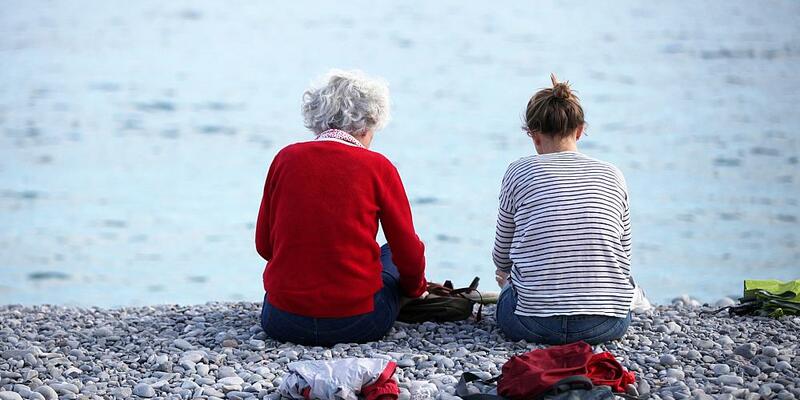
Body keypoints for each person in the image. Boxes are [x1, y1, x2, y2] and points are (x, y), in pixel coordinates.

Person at [255, 70, 427, 346]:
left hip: (282, 320)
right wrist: (414, 290)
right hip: (357, 323)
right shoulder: (377, 166)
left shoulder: (285, 159)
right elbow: (408, 251)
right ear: (367, 126)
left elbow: (265, 246)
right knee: (392, 252)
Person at [493, 74, 633, 345]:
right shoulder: (612, 174)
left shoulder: (518, 171)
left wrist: (507, 277)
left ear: (533, 136)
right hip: (607, 323)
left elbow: (501, 256)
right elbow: (623, 253)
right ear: (580, 130)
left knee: (509, 285)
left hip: (532, 322)